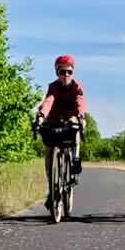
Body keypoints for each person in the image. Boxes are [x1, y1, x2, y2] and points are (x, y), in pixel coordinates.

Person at [34, 54, 87, 208]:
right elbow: (48, 101)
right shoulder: (53, 87)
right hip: (54, 117)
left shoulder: (77, 87)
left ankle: (75, 158)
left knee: (75, 127)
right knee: (49, 149)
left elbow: (80, 102)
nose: (66, 75)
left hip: (71, 117)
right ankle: (52, 186)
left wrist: (81, 117)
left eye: (69, 72)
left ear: (73, 72)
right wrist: (41, 117)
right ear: (57, 72)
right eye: (62, 72)